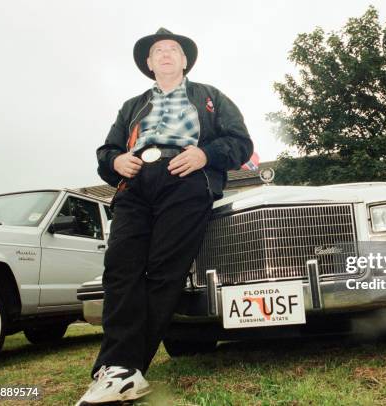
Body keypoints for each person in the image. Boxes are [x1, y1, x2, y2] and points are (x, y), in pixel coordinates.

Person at [76, 27, 253, 405]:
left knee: (163, 271)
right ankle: (122, 371)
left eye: (173, 49)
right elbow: (106, 153)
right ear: (149, 63)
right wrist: (116, 161)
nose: (167, 54)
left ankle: (121, 369)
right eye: (158, 51)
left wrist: (206, 154)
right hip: (136, 185)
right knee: (120, 269)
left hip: (186, 179)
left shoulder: (211, 98)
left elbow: (240, 144)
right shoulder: (132, 106)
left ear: (185, 60)